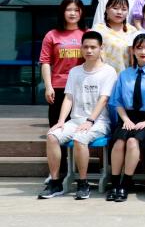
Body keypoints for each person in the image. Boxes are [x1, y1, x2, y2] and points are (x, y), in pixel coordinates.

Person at [39, 31, 116, 200]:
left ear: (101, 48)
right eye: (86, 47)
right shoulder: (75, 71)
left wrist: (90, 121)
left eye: (93, 47)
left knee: (80, 138)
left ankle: (83, 182)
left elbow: (103, 99)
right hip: (75, 120)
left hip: (99, 121)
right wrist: (61, 121)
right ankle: (55, 182)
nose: (89, 50)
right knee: (52, 136)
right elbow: (68, 98)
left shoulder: (109, 71)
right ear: (81, 48)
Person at [107, 34, 145, 202]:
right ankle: (114, 183)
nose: (143, 52)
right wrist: (126, 120)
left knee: (132, 141)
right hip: (127, 117)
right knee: (119, 142)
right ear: (133, 51)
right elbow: (117, 101)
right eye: (139, 48)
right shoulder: (124, 74)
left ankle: (126, 184)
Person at [40, 0, 86, 129]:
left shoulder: (88, 34)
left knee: (79, 129)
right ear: (62, 12)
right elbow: (45, 62)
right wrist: (48, 87)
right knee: (57, 128)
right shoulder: (51, 35)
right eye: (68, 10)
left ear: (81, 12)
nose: (72, 13)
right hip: (59, 86)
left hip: (82, 86)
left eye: (76, 10)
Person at [92, 0, 137, 73]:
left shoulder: (132, 31)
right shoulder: (98, 29)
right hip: (103, 76)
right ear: (107, 9)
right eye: (115, 8)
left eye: (124, 9)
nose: (119, 12)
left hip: (127, 77)